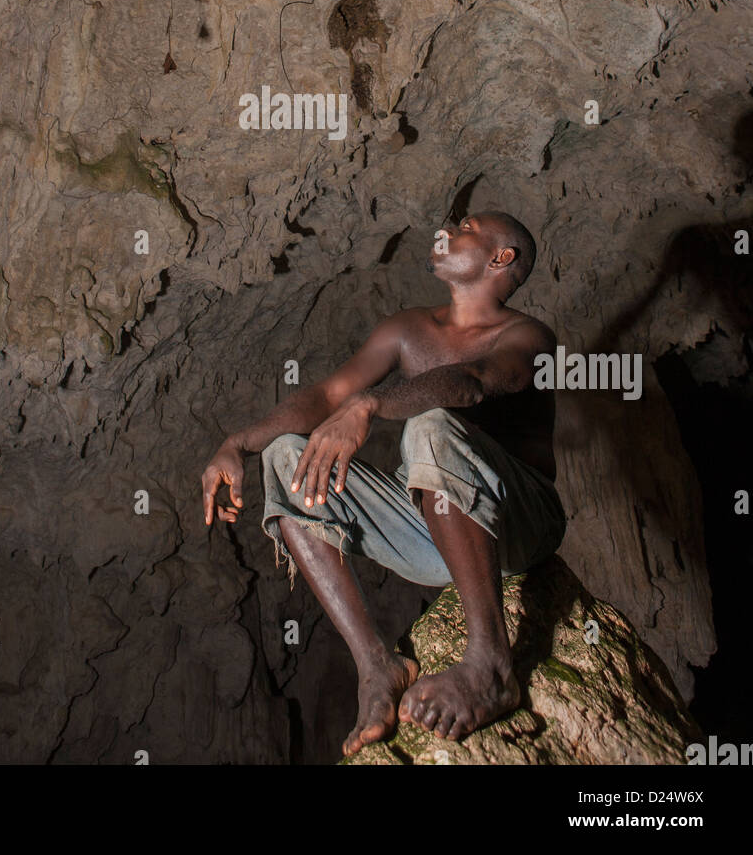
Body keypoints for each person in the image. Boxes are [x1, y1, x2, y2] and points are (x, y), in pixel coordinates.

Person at [202, 210, 566, 756]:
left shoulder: (529, 335)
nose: (445, 230)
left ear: (500, 257)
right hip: (433, 531)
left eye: (465, 227)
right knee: (284, 457)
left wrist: (370, 405)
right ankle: (376, 667)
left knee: (432, 423)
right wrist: (239, 442)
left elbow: (471, 384)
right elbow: (327, 396)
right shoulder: (407, 328)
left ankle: (491, 664)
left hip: (519, 522)